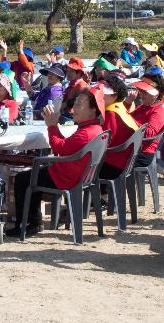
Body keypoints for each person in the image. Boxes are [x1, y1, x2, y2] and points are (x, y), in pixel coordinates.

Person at [6, 87, 107, 239]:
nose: (73, 109)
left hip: (65, 176)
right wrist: (54, 126)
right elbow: (66, 145)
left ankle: (27, 224)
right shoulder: (96, 128)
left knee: (23, 179)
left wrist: (51, 126)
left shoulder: (85, 133)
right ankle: (34, 221)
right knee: (35, 173)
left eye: (79, 104)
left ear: (93, 109)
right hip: (80, 175)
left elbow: (59, 147)